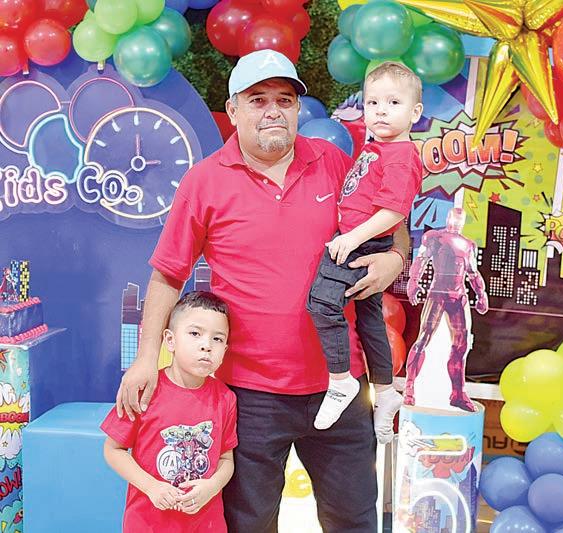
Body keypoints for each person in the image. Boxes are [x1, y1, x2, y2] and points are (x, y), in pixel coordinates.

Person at [115, 49, 410, 532]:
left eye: (285, 99)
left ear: (297, 109)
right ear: (233, 110)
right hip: (249, 396)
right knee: (249, 523)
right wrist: (147, 358)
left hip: (340, 385)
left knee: (354, 521)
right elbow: (168, 274)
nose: (274, 110)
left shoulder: (335, 163)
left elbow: (393, 219)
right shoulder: (204, 181)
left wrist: (394, 259)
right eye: (258, 99)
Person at [307, 62, 423, 439]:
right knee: (369, 317)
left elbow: (394, 211)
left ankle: (340, 380)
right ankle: (386, 391)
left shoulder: (402, 155)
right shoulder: (379, 147)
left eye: (393, 102)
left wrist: (352, 238)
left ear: (415, 112)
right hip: (361, 237)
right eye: (373, 103)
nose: (381, 111)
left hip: (360, 241)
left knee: (322, 303)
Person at [102, 292, 237, 532]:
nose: (206, 345)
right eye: (195, 333)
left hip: (206, 524)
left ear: (225, 349)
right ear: (170, 340)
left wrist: (212, 486)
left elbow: (226, 460)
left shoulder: (226, 398)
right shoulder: (145, 390)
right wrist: (151, 486)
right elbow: (113, 450)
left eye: (217, 339)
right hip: (148, 523)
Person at [405, 207, 489, 411]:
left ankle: (458, 393)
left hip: (458, 296)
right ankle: (409, 388)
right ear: (449, 218)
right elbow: (421, 259)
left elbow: (472, 272)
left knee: (461, 344)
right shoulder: (435, 237)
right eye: (454, 218)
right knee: (423, 338)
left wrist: (481, 294)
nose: (457, 222)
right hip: (438, 293)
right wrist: (413, 281)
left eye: (461, 219)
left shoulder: (468, 244)